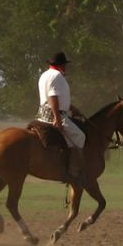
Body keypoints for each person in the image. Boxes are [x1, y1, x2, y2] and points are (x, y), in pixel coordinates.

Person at [36, 52, 86, 184]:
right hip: (54, 115)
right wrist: (57, 119)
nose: (66, 68)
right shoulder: (57, 76)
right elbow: (52, 98)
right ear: (62, 65)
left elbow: (59, 98)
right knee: (80, 136)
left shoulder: (45, 75)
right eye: (65, 65)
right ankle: (74, 171)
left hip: (42, 114)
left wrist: (74, 109)